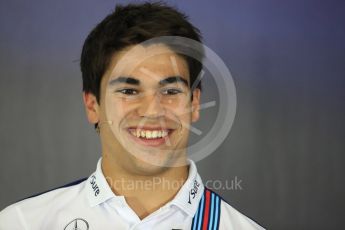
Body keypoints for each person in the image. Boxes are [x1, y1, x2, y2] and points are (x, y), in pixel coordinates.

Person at [0, 2, 264, 229]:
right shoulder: (21, 223)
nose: (152, 110)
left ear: (194, 104)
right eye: (129, 90)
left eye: (170, 90)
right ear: (93, 106)